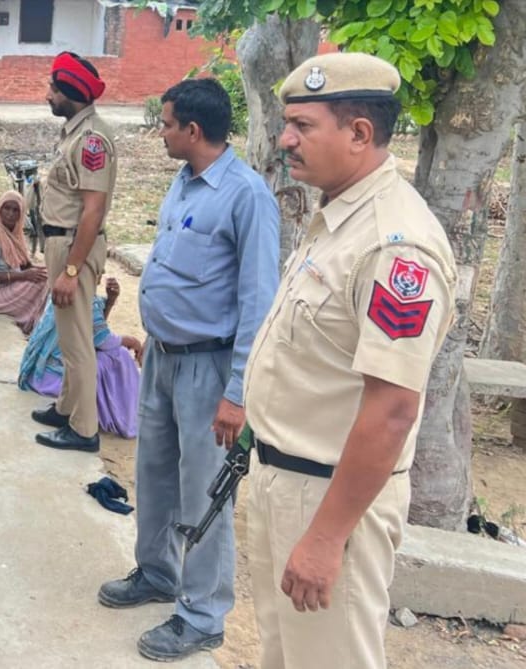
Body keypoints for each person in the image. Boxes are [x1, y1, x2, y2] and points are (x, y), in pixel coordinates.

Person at [243, 52, 456, 669]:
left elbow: (393, 409)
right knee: (284, 656)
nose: (285, 139)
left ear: (359, 133)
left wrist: (326, 536)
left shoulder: (395, 247)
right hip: (284, 480)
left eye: (302, 126)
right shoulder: (340, 217)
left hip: (330, 497)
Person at [95, 77, 281, 662]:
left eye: (168, 123)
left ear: (193, 131)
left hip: (210, 368)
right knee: (154, 475)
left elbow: (259, 300)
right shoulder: (183, 182)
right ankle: (157, 573)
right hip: (163, 358)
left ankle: (202, 615)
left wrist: (238, 393)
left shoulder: (247, 196)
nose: (162, 132)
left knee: (205, 494)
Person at [29, 52, 115, 453]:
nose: (48, 95)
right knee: (68, 336)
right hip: (61, 243)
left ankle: (83, 429)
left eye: (53, 89)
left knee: (78, 341)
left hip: (73, 247)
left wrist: (71, 270)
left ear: (71, 92)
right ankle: (66, 407)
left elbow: (93, 210)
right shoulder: (75, 133)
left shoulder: (91, 140)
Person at [19, 279, 143, 439]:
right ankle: (118, 413)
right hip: (57, 377)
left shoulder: (68, 289)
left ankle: (67, 411)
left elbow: (90, 330)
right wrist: (133, 342)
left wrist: (110, 301)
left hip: (40, 375)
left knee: (111, 352)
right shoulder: (83, 294)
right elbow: (102, 340)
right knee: (119, 355)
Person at [0, 191, 49, 335]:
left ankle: (45, 324)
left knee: (49, 276)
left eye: (15, 210)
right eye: (7, 208)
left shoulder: (15, 234)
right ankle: (35, 325)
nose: (10, 214)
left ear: (21, 214)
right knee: (42, 283)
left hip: (10, 285)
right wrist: (24, 276)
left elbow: (24, 266)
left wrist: (48, 269)